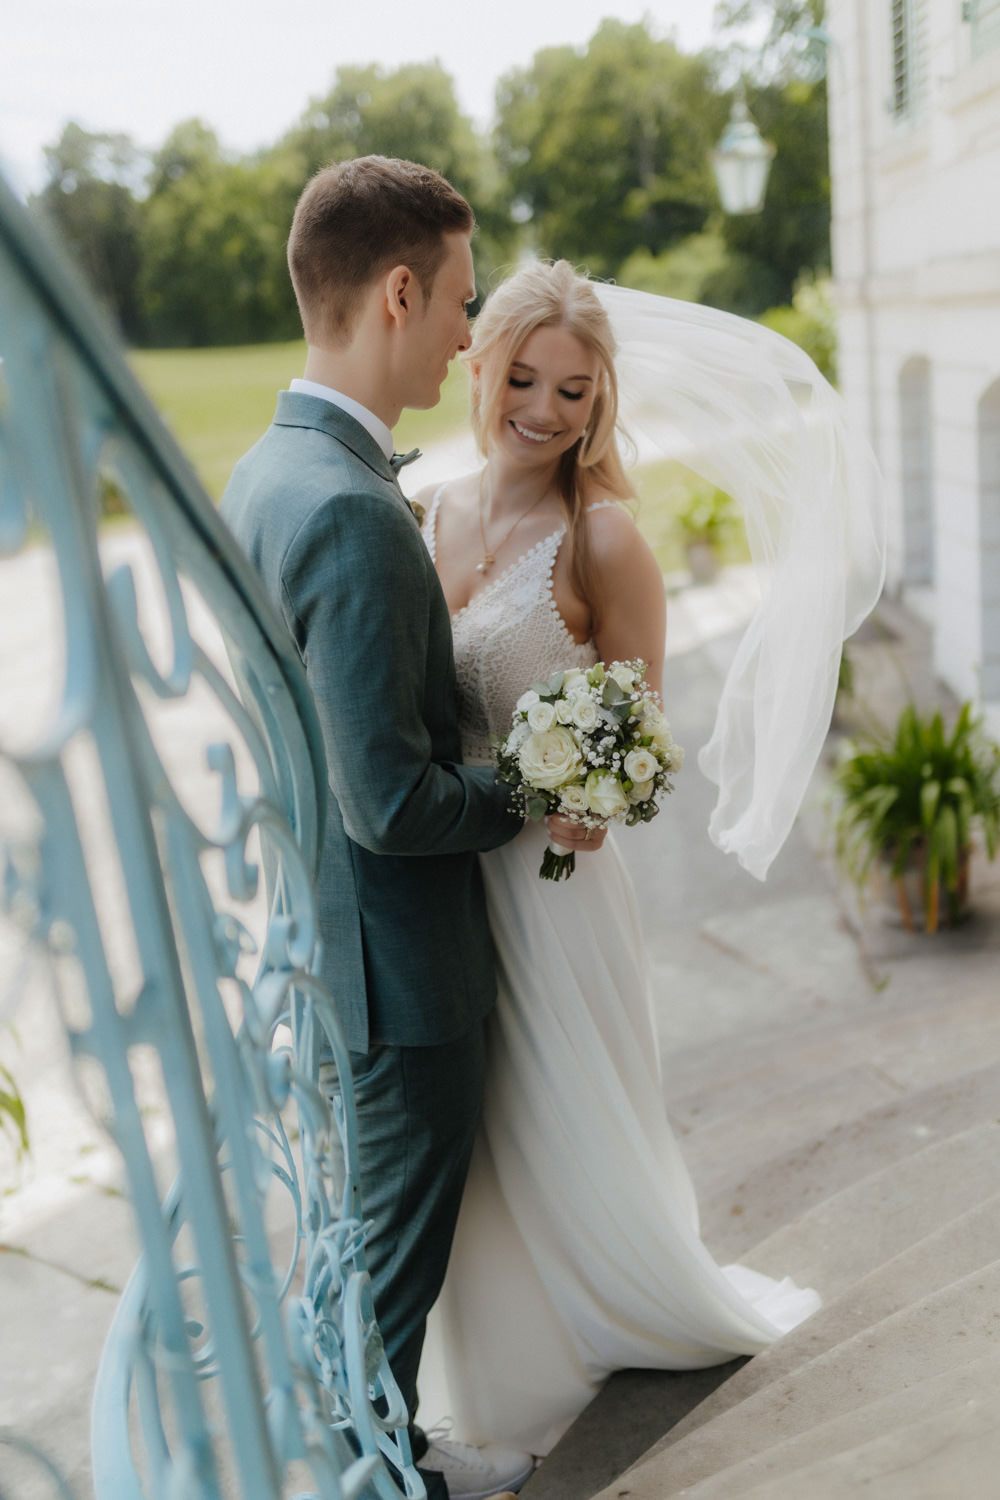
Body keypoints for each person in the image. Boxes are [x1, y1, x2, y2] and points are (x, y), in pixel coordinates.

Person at [413, 257, 884, 1456]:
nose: (546, 411)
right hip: (445, 875)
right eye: (524, 378)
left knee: (570, 1117)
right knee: (482, 1138)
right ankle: (506, 1353)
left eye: (576, 391)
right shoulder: (432, 510)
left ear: (602, 401)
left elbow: (637, 739)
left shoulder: (604, 539)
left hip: (555, 890)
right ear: (479, 367)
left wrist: (588, 804)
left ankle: (623, 1306)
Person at [220, 160, 600, 1500]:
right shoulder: (351, 514)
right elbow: (390, 802)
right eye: (457, 297)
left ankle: (384, 1445)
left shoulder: (265, 474)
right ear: (397, 291)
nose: (465, 330)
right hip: (400, 971)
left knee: (353, 1242)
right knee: (387, 1260)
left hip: (331, 947)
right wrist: (537, 790)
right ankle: (381, 1480)